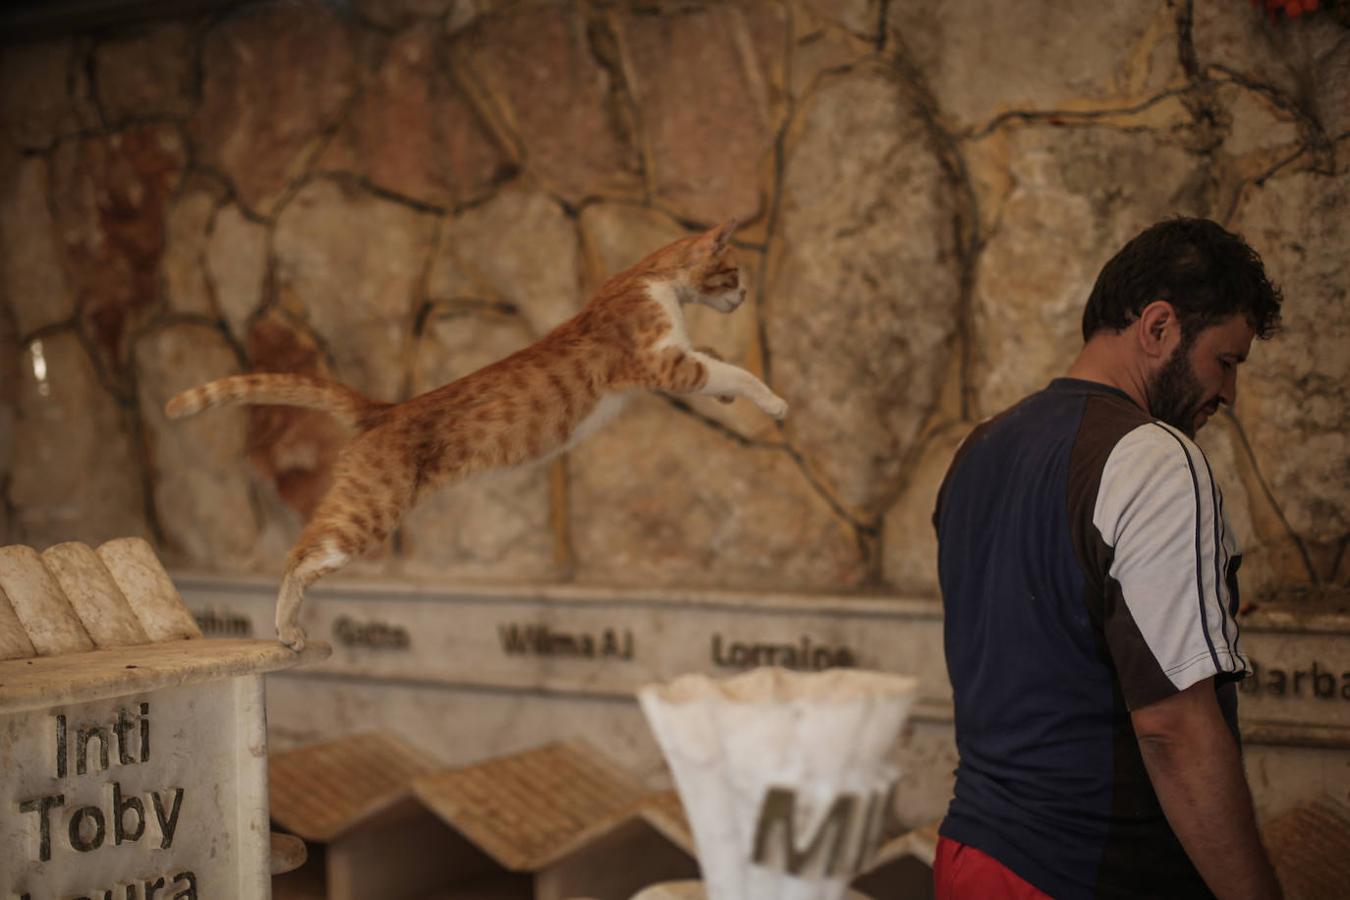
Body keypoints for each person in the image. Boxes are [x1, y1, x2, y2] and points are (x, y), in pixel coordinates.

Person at [932, 217, 1285, 899]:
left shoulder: (977, 451)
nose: (1229, 396)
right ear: (1158, 328)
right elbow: (1174, 728)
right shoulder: (1156, 459)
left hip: (970, 855)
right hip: (1092, 872)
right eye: (1226, 361)